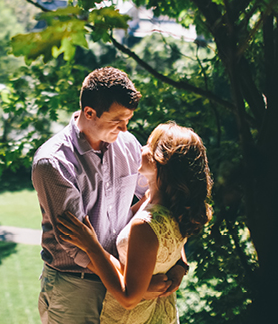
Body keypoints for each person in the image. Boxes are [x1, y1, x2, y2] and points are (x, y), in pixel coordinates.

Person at [32, 67, 187, 324]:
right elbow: (76, 245)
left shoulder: (126, 144)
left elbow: (159, 200)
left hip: (124, 283)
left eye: (128, 119)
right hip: (76, 288)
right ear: (89, 113)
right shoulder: (54, 163)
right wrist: (132, 285)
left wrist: (179, 262)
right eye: (118, 120)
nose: (125, 128)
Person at [57, 122, 213, 324]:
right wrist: (180, 265)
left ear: (161, 161)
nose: (142, 148)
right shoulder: (173, 206)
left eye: (149, 145)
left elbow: (129, 298)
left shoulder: (145, 225)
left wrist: (91, 246)